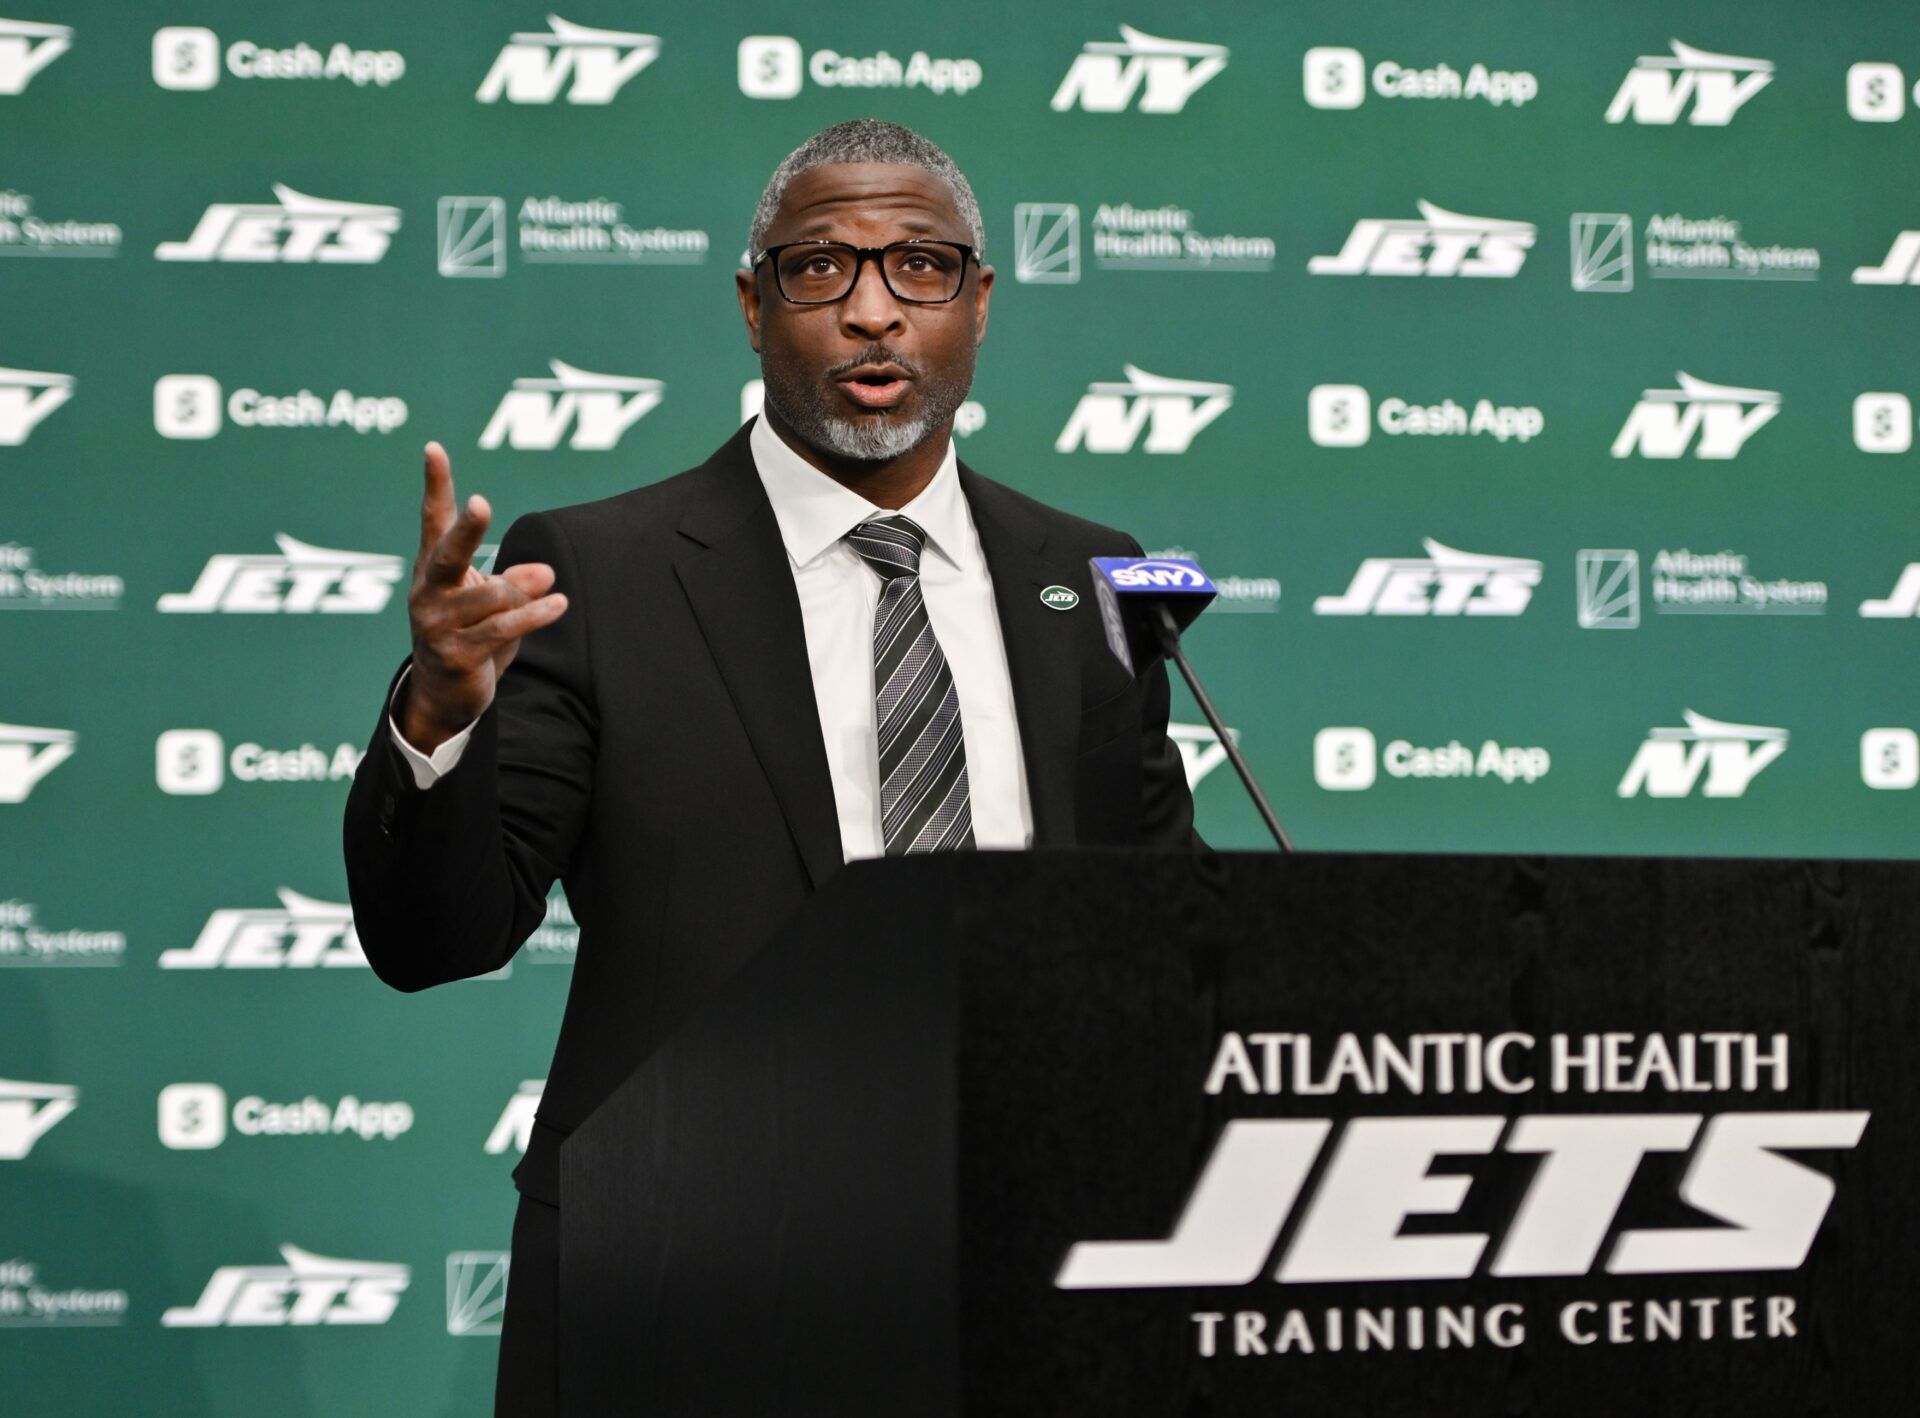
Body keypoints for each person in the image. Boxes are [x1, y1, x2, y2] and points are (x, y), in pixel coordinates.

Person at [342, 118, 1199, 1415]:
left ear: (979, 302)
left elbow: (1166, 927)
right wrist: (440, 717)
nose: (871, 313)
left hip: (1030, 1253)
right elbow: (437, 936)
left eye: (919, 267)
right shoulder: (598, 573)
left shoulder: (1083, 573)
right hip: (693, 1267)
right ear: (752, 304)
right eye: (819, 270)